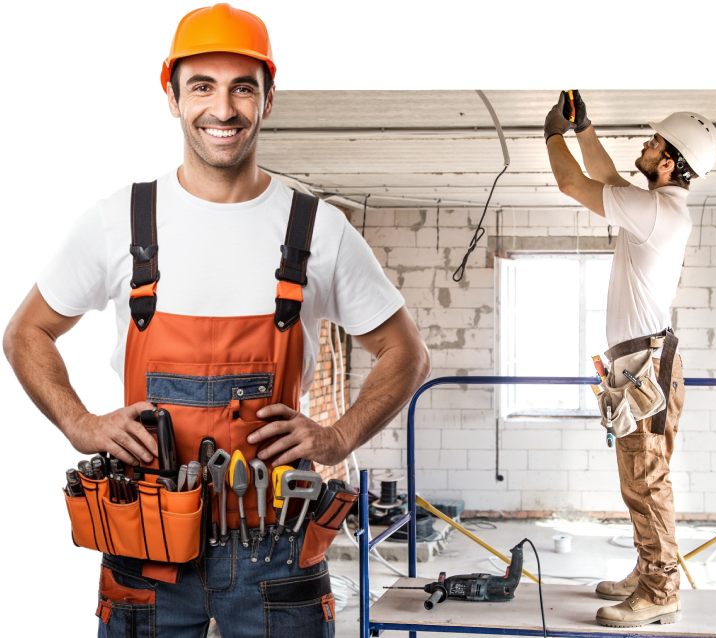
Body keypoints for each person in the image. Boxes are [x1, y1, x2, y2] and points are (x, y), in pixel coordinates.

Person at [2, 4, 430, 636]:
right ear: (172, 96)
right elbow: (25, 332)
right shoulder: (119, 219)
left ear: (268, 99)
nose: (223, 110)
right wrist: (80, 424)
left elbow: (407, 353)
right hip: (145, 531)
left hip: (275, 543)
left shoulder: (316, 230)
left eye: (242, 88)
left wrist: (338, 438)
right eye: (202, 86)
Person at [544, 89, 716, 628]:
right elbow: (612, 181)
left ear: (667, 162)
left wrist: (552, 133)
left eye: (651, 143)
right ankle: (648, 569)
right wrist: (584, 129)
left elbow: (575, 183)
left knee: (646, 478)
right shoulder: (654, 207)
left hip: (645, 363)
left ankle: (661, 588)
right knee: (640, 476)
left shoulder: (658, 213)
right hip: (641, 361)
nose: (642, 146)